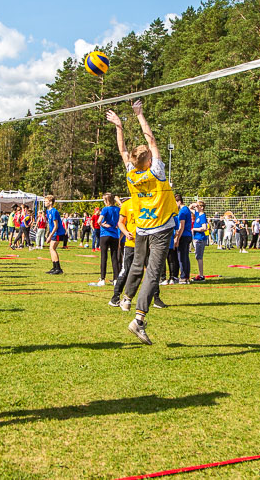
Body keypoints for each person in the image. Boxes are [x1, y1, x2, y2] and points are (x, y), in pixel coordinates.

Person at [106, 99, 177, 345]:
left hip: (143, 228)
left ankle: (126, 298)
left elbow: (122, 150)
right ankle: (139, 319)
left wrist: (119, 126)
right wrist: (139, 115)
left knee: (137, 264)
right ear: (148, 161)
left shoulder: (131, 172)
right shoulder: (156, 171)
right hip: (159, 228)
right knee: (153, 273)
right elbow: (152, 141)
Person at [109, 197, 137, 307]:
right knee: (126, 269)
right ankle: (115, 297)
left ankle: (156, 298)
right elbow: (120, 223)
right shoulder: (127, 205)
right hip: (131, 244)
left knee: (151, 271)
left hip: (145, 244)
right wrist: (126, 233)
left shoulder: (146, 203)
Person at [97, 193, 121, 287]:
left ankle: (102, 279)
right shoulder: (117, 209)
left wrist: (103, 225)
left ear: (107, 201)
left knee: (104, 257)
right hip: (115, 235)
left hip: (105, 234)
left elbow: (99, 221)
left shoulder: (105, 209)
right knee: (114, 257)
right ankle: (116, 279)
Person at [174, 194, 193, 283]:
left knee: (181, 257)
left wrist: (177, 238)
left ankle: (183, 277)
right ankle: (186, 276)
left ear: (179, 201)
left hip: (184, 235)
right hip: (188, 235)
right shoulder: (187, 210)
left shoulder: (182, 211)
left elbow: (181, 226)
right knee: (185, 256)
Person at [44, 196, 66, 274]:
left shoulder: (54, 211)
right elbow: (50, 225)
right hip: (53, 232)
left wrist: (50, 235)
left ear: (50, 202)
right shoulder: (48, 211)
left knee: (52, 248)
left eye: (46, 201)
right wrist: (48, 233)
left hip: (57, 232)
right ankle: (54, 267)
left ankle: (58, 268)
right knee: (51, 249)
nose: (45, 202)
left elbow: (56, 226)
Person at [191, 201, 208, 281]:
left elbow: (204, 228)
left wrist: (194, 229)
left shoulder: (202, 216)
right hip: (197, 238)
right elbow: (189, 208)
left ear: (202, 207)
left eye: (198, 206)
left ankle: (201, 275)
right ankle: (200, 274)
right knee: (197, 257)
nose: (196, 207)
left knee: (199, 257)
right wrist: (193, 204)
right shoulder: (197, 214)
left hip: (200, 239)